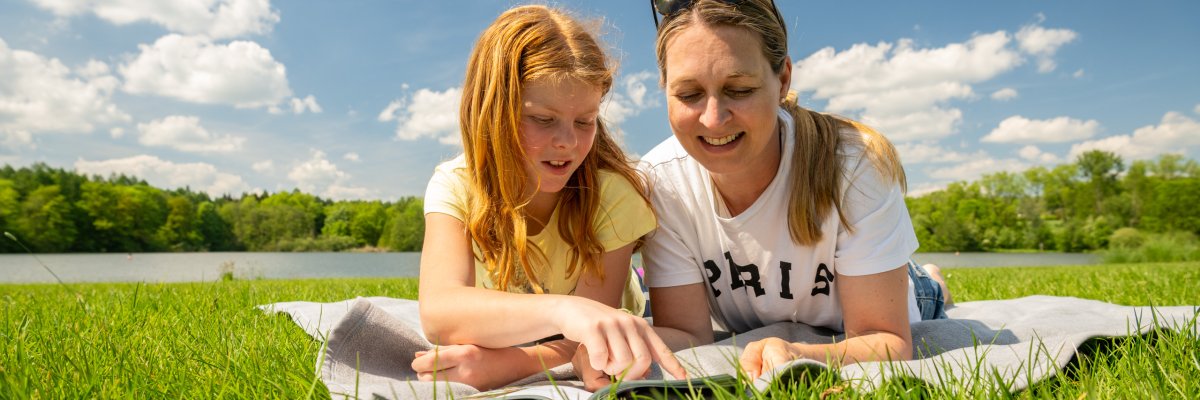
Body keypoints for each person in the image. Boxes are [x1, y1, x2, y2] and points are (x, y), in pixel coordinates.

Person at [638, 0, 953, 380]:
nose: (713, 119)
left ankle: (932, 280)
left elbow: (887, 338)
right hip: (767, 314)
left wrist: (799, 352)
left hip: (902, 295)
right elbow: (690, 336)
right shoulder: (660, 182)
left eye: (739, 89)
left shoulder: (853, 165)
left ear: (783, 79)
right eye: (688, 94)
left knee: (925, 291)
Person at [412, 5, 685, 391]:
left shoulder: (611, 196)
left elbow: (586, 341)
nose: (568, 142)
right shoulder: (455, 186)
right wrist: (564, 308)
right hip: (539, 319)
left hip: (586, 321)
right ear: (491, 112)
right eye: (542, 119)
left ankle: (634, 282)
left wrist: (505, 364)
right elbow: (440, 312)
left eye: (585, 121)